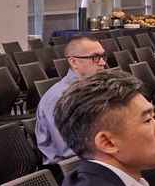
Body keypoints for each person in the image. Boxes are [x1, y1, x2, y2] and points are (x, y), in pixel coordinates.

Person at [35, 34, 108, 163]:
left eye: (102, 56)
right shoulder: (59, 98)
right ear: (74, 62)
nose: (103, 63)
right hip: (67, 169)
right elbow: (69, 150)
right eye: (95, 57)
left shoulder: (92, 88)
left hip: (91, 158)